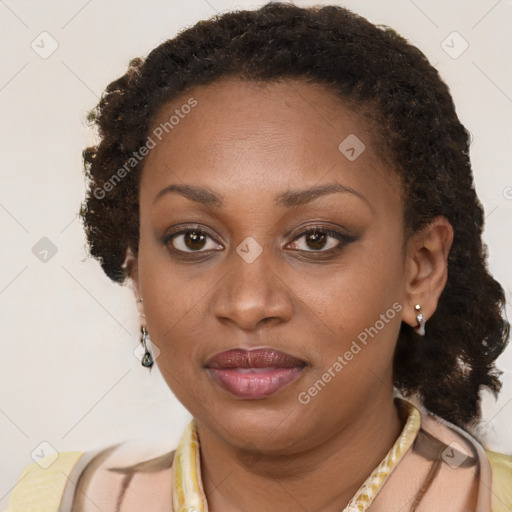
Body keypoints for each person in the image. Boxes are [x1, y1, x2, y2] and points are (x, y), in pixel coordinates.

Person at [8, 2, 512, 511]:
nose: (248, 304)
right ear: (137, 278)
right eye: (193, 240)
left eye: (317, 239)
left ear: (420, 270)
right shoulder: (54, 501)